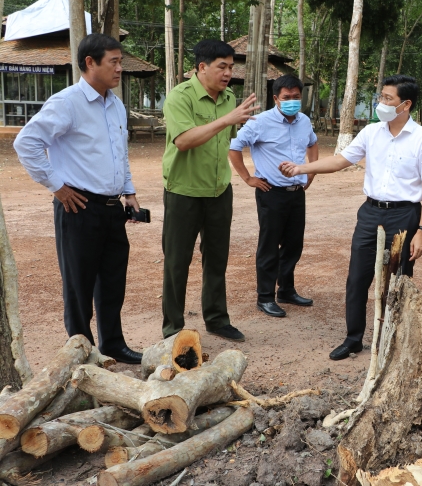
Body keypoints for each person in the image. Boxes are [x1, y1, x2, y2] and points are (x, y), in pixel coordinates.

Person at [279, 74, 422, 360]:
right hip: (370, 213)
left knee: (399, 279)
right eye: (381, 97)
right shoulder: (371, 132)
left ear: (405, 105)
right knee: (357, 278)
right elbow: (342, 160)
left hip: (405, 215)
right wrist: (302, 168)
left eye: (387, 99)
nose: (382, 103)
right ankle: (353, 338)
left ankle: (395, 340)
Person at [13, 33, 143, 364]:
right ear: (90, 63)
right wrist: (56, 185)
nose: (119, 68)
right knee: (79, 287)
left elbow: (120, 152)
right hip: (79, 207)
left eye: (120, 61)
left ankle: (113, 344)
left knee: (113, 282)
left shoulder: (115, 104)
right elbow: (26, 142)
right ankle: (81, 355)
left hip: (113, 209)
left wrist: (129, 191)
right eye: (113, 62)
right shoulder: (67, 103)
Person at [161, 39, 259, 342]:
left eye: (231, 67)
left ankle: (217, 319)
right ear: (202, 67)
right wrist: (227, 119)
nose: (229, 72)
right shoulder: (180, 97)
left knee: (217, 259)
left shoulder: (229, 98)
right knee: (177, 262)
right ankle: (173, 329)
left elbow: (228, 142)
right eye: (222, 67)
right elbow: (184, 141)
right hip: (184, 193)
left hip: (219, 192)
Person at [229, 74, 318, 318]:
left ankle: (286, 289)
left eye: (296, 97)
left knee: (293, 244)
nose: (292, 101)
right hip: (271, 193)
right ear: (276, 98)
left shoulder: (304, 121)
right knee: (269, 245)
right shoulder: (260, 121)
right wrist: (248, 178)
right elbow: (235, 147)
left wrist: (312, 171)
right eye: (287, 97)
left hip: (296, 193)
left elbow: (313, 143)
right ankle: (265, 296)